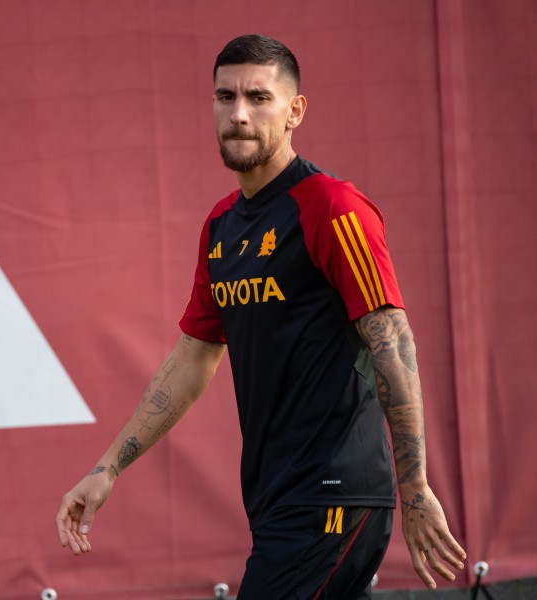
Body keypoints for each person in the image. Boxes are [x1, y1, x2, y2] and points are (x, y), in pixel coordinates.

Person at [54, 34, 467, 598]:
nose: (239, 114)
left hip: (331, 495)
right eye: (225, 97)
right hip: (275, 495)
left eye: (258, 97)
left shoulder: (333, 208)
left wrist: (415, 487)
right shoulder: (221, 226)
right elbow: (194, 355)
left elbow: (392, 342)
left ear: (295, 110)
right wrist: (108, 468)